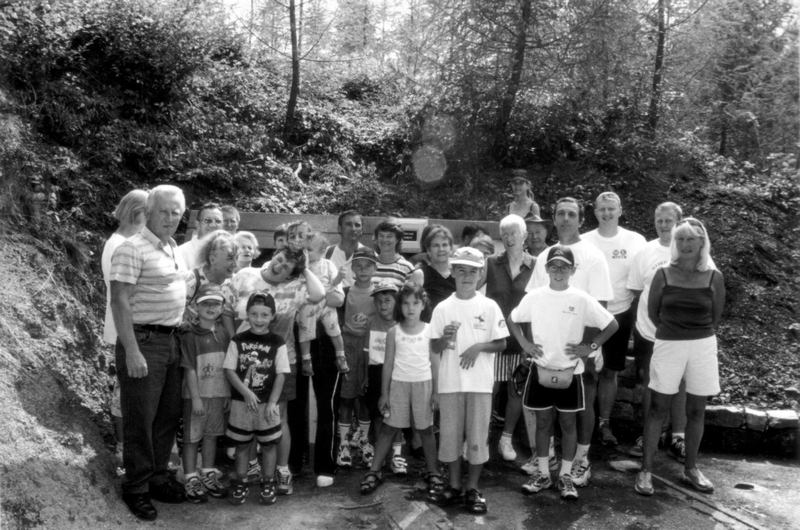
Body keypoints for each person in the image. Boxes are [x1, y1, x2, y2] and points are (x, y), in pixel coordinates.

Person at [508, 246, 618, 500]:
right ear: (546, 269)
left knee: (568, 424)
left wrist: (590, 347)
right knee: (544, 423)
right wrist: (524, 344)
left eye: (564, 266)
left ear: (573, 270)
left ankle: (566, 476)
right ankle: (544, 474)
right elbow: (512, 319)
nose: (558, 271)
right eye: (554, 266)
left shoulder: (581, 298)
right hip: (541, 370)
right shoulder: (535, 296)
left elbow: (611, 324)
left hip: (572, 372)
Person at [110, 184, 188, 521]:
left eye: (176, 212)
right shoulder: (131, 248)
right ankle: (136, 487)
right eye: (164, 211)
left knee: (167, 415)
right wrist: (131, 350)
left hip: (171, 341)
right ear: (149, 211)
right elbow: (120, 300)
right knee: (140, 418)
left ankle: (157, 477)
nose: (170, 218)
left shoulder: (172, 247)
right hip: (142, 342)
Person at [524, 197, 613, 489]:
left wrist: (592, 348)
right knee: (546, 411)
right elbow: (532, 303)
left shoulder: (594, 256)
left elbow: (600, 306)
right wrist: (530, 345)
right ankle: (547, 459)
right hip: (547, 349)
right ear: (554, 217)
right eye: (560, 213)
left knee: (581, 406)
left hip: (579, 346)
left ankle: (581, 459)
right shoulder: (544, 256)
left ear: (580, 219)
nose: (565, 219)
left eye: (571, 214)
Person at [635, 218, 725, 496]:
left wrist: (694, 334)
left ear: (702, 242)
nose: (685, 245)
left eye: (691, 239)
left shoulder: (713, 276)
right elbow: (653, 312)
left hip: (702, 346)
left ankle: (691, 469)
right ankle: (646, 470)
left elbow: (717, 316)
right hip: (668, 344)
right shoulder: (663, 274)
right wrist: (674, 331)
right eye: (681, 239)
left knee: (697, 410)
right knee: (656, 408)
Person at [429, 247, 509, 514]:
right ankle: (453, 485)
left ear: (480, 273)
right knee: (450, 438)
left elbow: (501, 343)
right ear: (452, 272)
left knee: (477, 438)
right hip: (450, 384)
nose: (466, 275)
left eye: (472, 271)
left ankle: (472, 488)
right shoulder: (442, 307)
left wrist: (477, 348)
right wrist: (445, 338)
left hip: (480, 385)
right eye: (460, 270)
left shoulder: (489, 306)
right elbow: (434, 345)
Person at [626, 202, 698, 459]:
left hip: (681, 332)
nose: (664, 225)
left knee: (679, 381)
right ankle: (648, 435)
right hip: (648, 331)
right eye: (659, 220)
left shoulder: (691, 250)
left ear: (679, 221)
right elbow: (636, 290)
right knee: (648, 381)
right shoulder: (644, 252)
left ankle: (677, 436)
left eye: (669, 220)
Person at [360, 282, 443, 497]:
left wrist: (436, 392)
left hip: (423, 385)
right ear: (400, 305)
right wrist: (384, 393)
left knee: (426, 430)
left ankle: (433, 471)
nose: (410, 308)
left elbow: (435, 362)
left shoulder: (430, 331)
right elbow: (387, 364)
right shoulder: (393, 332)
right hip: (398, 385)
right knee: (388, 428)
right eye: (406, 303)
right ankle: (374, 470)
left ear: (424, 304)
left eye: (416, 303)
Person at [581, 192, 647, 446]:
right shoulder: (584, 241)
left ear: (620, 210)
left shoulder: (636, 241)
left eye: (611, 208)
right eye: (601, 209)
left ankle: (604, 424)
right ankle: (582, 422)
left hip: (621, 313)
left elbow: (643, 280)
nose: (606, 213)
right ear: (595, 212)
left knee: (610, 370)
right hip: (589, 315)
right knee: (587, 370)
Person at [224, 292, 289, 506]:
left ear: (272, 316)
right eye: (254, 314)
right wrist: (245, 391)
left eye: (264, 315)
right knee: (242, 446)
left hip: (267, 406)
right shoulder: (238, 340)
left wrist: (272, 402)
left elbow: (281, 374)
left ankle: (268, 482)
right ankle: (241, 482)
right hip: (241, 404)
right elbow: (230, 370)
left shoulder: (277, 342)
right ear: (246, 315)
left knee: (269, 445)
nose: (259, 319)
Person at [101, 189, 147, 464]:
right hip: (124, 326)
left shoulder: (128, 241)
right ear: (136, 212)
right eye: (149, 211)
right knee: (124, 390)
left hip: (133, 324)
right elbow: (123, 293)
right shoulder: (119, 244)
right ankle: (122, 447)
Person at [485, 214, 534, 467]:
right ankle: (480, 436)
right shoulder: (491, 262)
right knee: (488, 388)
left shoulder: (535, 264)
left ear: (524, 235)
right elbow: (470, 286)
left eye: (514, 232)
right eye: (504, 233)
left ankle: (506, 439)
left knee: (516, 389)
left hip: (522, 339)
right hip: (494, 337)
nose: (509, 237)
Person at [179, 283, 231, 503]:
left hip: (218, 394)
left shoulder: (224, 332)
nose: (211, 307)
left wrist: (228, 393)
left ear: (222, 307)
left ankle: (207, 471)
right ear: (196, 307)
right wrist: (196, 397)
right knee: (192, 438)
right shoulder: (189, 335)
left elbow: (228, 366)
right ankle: (190, 475)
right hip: (196, 398)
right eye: (206, 303)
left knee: (211, 435)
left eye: (216, 303)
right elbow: (189, 368)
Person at [336, 247, 379, 469]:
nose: (363, 269)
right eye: (359, 265)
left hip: (369, 348)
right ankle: (343, 443)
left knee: (364, 397)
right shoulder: (344, 292)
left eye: (368, 265)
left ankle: (363, 440)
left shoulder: (379, 293)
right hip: (348, 346)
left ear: (375, 268)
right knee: (346, 396)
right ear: (352, 268)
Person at [361, 281, 399, 467]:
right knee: (377, 414)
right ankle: (379, 454)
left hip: (397, 373)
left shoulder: (401, 324)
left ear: (396, 301)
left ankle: (396, 455)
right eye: (378, 301)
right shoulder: (371, 322)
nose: (383, 305)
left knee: (396, 415)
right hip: (376, 372)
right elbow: (367, 353)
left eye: (387, 300)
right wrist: (365, 377)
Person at [183, 230, 237, 332]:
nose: (235, 264)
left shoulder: (232, 284)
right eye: (230, 258)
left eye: (236, 258)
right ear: (212, 259)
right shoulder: (192, 281)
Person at [416, 225, 456, 321]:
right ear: (428, 250)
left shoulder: (459, 274)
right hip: (428, 330)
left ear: (451, 248)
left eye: (445, 245)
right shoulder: (420, 275)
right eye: (436, 245)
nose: (441, 249)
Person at [327, 210, 367, 288]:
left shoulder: (368, 254)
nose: (353, 229)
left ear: (362, 230)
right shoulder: (327, 252)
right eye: (348, 224)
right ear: (339, 228)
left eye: (357, 225)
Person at [178, 202, 223, 270]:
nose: (213, 225)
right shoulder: (182, 252)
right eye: (208, 221)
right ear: (198, 224)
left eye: (218, 221)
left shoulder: (230, 251)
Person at [373, 219, 415, 288]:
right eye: (381, 236)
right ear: (376, 238)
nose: (384, 240)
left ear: (397, 239)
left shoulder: (407, 268)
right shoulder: (369, 264)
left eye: (389, 236)